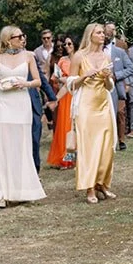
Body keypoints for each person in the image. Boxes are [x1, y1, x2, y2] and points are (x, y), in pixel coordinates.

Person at [0, 25, 47, 208]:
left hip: (22, 103)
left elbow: (38, 80)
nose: (23, 39)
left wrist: (26, 83)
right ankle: (2, 193)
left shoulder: (29, 56)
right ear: (8, 39)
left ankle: (24, 190)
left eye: (23, 36)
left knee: (22, 145)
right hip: (4, 103)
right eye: (18, 36)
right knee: (4, 146)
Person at [71, 23, 118, 203]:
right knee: (89, 146)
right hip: (86, 106)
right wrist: (84, 76)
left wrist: (107, 78)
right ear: (90, 35)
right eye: (98, 33)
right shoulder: (79, 56)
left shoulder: (106, 56)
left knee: (107, 146)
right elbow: (70, 83)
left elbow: (110, 86)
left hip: (103, 104)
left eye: (102, 33)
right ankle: (89, 188)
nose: (102, 35)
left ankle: (103, 184)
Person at [46, 35, 76, 169]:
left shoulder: (80, 59)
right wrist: (60, 79)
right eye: (65, 44)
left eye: (70, 44)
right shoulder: (63, 60)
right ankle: (66, 158)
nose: (67, 47)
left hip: (76, 95)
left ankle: (75, 158)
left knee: (75, 128)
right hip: (65, 96)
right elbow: (55, 77)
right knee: (64, 128)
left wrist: (67, 79)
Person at [107, 26, 133, 151]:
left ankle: (121, 139)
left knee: (120, 112)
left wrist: (117, 76)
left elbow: (131, 68)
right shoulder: (95, 53)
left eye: (109, 32)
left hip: (117, 87)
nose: (106, 34)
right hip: (101, 89)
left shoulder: (119, 50)